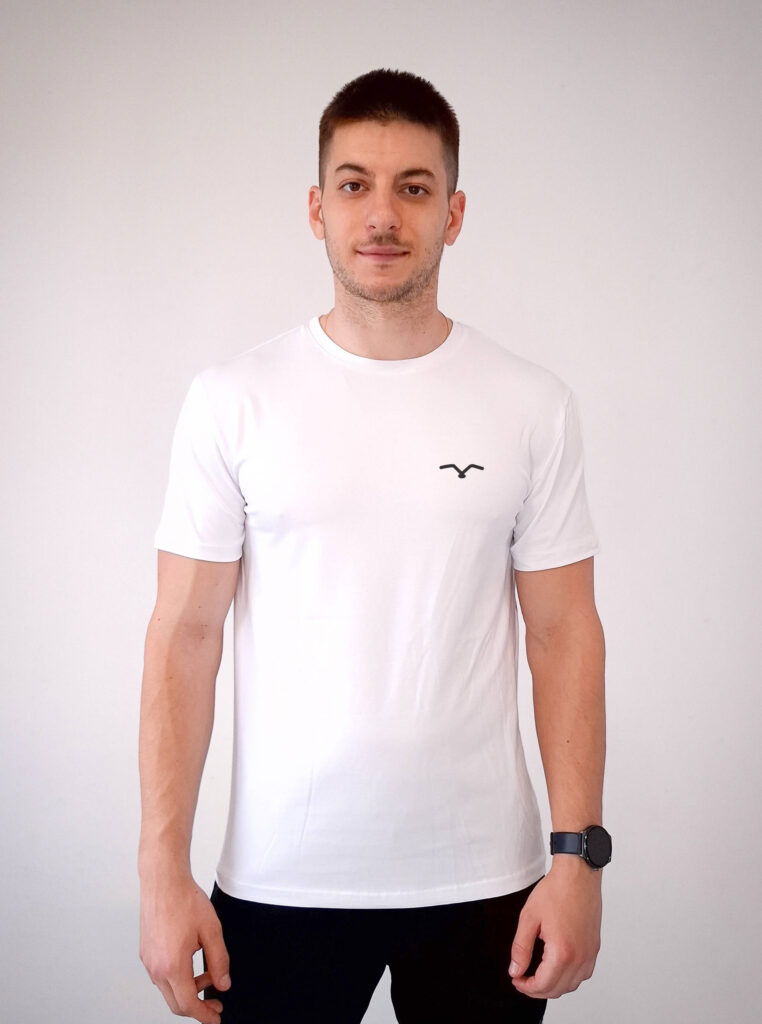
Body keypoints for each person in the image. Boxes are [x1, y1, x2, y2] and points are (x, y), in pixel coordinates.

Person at [138, 67, 610, 1024]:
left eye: (414, 187)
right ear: (318, 208)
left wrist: (578, 861)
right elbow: (184, 636)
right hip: (280, 880)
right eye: (354, 184)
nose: (383, 215)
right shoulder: (234, 400)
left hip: (488, 880)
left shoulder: (532, 404)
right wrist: (161, 871)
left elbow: (564, 633)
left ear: (454, 213)